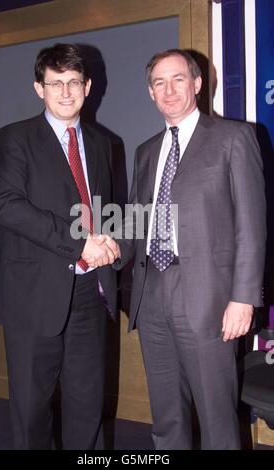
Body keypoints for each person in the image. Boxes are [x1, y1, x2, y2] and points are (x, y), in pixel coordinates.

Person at [112, 49, 266, 449]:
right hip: (152, 297)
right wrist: (101, 247)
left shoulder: (234, 138)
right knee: (166, 417)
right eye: (159, 82)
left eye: (178, 79)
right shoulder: (145, 151)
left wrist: (243, 299)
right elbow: (135, 222)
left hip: (210, 299)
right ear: (150, 92)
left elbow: (253, 225)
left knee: (217, 418)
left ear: (198, 84)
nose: (169, 90)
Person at [0, 43, 119, 450]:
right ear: (38, 88)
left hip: (88, 296)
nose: (66, 92)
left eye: (74, 82)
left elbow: (108, 209)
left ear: (88, 86)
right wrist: (82, 242)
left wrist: (116, 242)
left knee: (87, 407)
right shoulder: (15, 138)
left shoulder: (103, 144)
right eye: (55, 83)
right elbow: (7, 207)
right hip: (33, 297)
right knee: (31, 412)